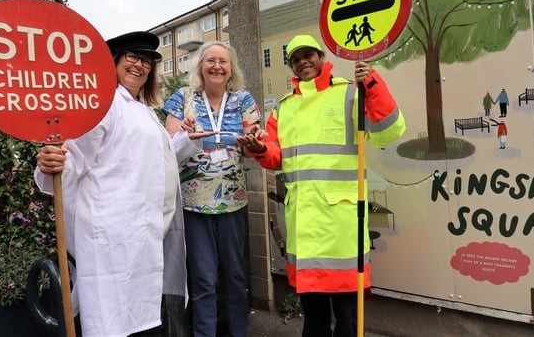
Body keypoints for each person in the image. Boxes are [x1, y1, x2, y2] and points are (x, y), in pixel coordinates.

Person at [237, 35, 405, 337]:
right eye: (296, 59)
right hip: (304, 226)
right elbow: (276, 156)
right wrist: (260, 149)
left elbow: (388, 131)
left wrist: (373, 83)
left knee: (348, 321)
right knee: (313, 320)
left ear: (321, 56)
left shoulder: (350, 93)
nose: (303, 62)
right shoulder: (284, 109)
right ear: (292, 66)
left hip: (342, 227)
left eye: (308, 55)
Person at [35, 31, 194, 337]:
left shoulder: (142, 110)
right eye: (132, 57)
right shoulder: (101, 104)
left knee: (139, 319)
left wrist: (185, 140)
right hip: (112, 237)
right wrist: (52, 164)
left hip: (143, 236)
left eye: (146, 61)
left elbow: (156, 162)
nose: (140, 65)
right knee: (112, 322)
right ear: (114, 62)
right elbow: (74, 159)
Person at [163, 41, 265, 337]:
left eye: (223, 61)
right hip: (194, 206)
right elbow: (168, 151)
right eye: (210, 60)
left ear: (231, 68)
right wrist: (184, 133)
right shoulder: (182, 98)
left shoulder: (243, 100)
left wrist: (255, 143)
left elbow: (255, 141)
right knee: (203, 279)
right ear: (200, 67)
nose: (217, 65)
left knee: (235, 277)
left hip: (233, 203)